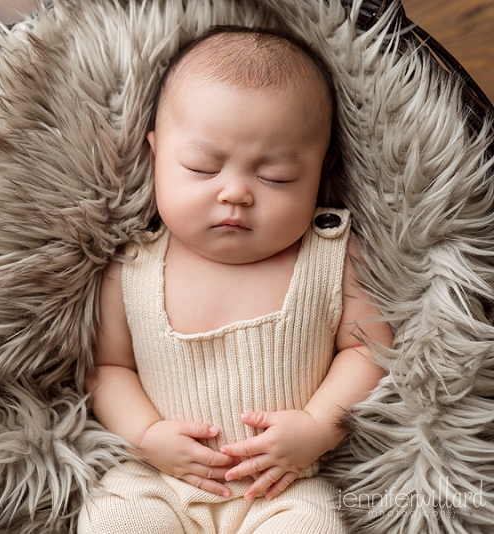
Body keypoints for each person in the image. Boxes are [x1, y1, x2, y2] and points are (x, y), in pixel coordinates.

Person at [78, 25, 392, 533]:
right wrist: (148, 435)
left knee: (315, 525)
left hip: (285, 489)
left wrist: (317, 427)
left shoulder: (332, 256)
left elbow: (369, 352)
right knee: (115, 517)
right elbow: (107, 368)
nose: (236, 194)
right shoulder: (132, 266)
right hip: (160, 480)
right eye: (202, 168)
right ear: (155, 155)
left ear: (321, 170)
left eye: (276, 177)